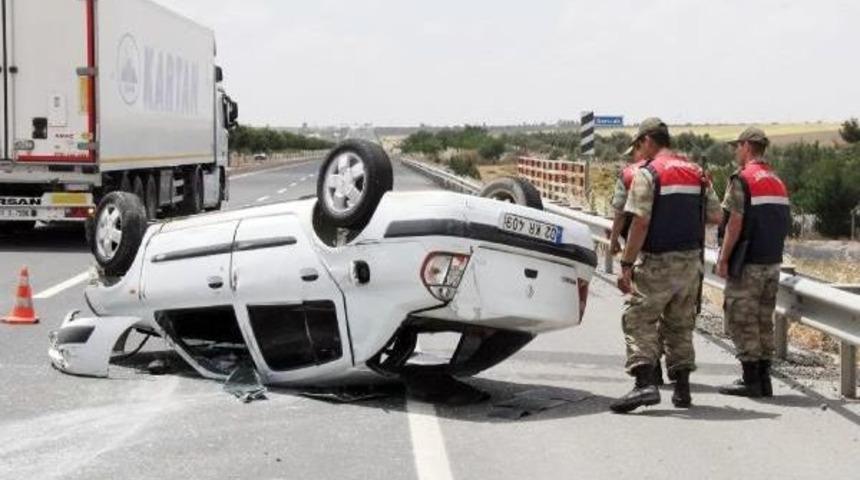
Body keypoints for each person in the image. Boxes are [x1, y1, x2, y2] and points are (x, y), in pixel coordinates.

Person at [610, 118, 722, 413]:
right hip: (690, 263)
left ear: (648, 140)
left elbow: (641, 222)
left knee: (639, 319)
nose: (638, 150)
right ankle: (682, 391)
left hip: (657, 262)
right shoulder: (697, 173)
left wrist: (626, 263)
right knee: (680, 325)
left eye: (639, 144)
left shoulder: (648, 174)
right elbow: (715, 216)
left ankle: (644, 384)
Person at [716, 127, 790, 398]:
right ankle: (764, 378)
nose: (736, 151)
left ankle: (750, 380)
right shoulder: (776, 180)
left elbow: (735, 222)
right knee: (763, 320)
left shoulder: (742, 178)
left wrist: (723, 259)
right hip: (772, 261)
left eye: (737, 146)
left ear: (747, 146)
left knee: (741, 318)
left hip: (747, 263)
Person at [608, 143, 671, 386]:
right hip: (672, 252)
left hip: (641, 252)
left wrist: (615, 245)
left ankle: (650, 373)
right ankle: (667, 369)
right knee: (667, 314)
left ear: (640, 149)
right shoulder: (670, 171)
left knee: (642, 313)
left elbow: (620, 214)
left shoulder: (629, 174)